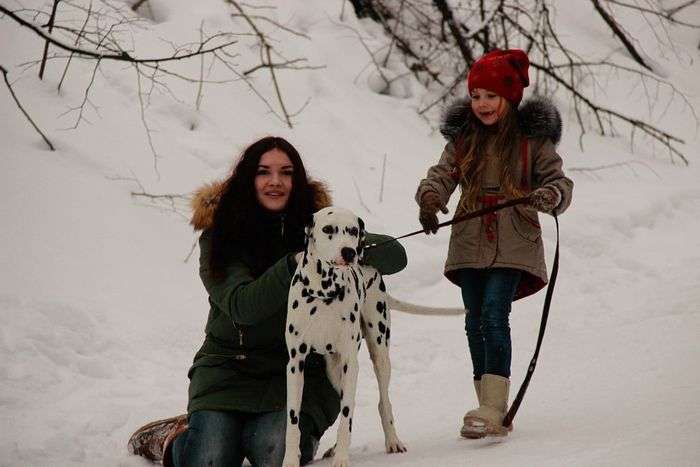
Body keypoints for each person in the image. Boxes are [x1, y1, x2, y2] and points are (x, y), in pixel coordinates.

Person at [127, 136, 407, 466]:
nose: (275, 181)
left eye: (286, 173)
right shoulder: (220, 237)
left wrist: (342, 244)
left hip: (301, 376)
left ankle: (245, 434)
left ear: (297, 181)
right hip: (230, 370)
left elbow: (394, 256)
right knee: (209, 458)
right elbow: (242, 307)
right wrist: (294, 262)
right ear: (249, 178)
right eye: (264, 172)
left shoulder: (321, 230)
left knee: (276, 452)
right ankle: (177, 436)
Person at [415, 49, 573, 439]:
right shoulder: (464, 138)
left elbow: (559, 182)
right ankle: (489, 405)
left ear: (509, 97)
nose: (482, 104)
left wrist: (549, 196)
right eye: (476, 95)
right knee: (473, 322)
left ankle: (491, 407)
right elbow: (441, 174)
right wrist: (430, 199)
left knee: (492, 315)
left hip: (513, 238)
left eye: (490, 95)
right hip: (469, 239)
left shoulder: (531, 141)